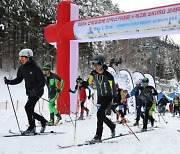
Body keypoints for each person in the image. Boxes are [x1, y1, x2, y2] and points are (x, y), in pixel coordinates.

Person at [4, 49, 47, 135]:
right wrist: (9, 81)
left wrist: (35, 90)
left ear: (29, 58)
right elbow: (18, 80)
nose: (22, 60)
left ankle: (32, 127)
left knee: (28, 107)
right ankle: (42, 121)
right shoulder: (22, 69)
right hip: (29, 92)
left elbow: (42, 82)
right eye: (20, 58)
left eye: (23, 58)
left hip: (37, 92)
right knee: (29, 109)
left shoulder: (36, 68)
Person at [87, 54, 116, 143]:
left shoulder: (108, 76)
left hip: (108, 97)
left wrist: (115, 100)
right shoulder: (93, 73)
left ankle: (98, 136)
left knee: (99, 114)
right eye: (94, 65)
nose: (95, 67)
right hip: (100, 97)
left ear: (102, 64)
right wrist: (80, 84)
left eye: (97, 65)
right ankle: (111, 126)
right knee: (100, 116)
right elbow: (88, 82)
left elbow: (113, 89)